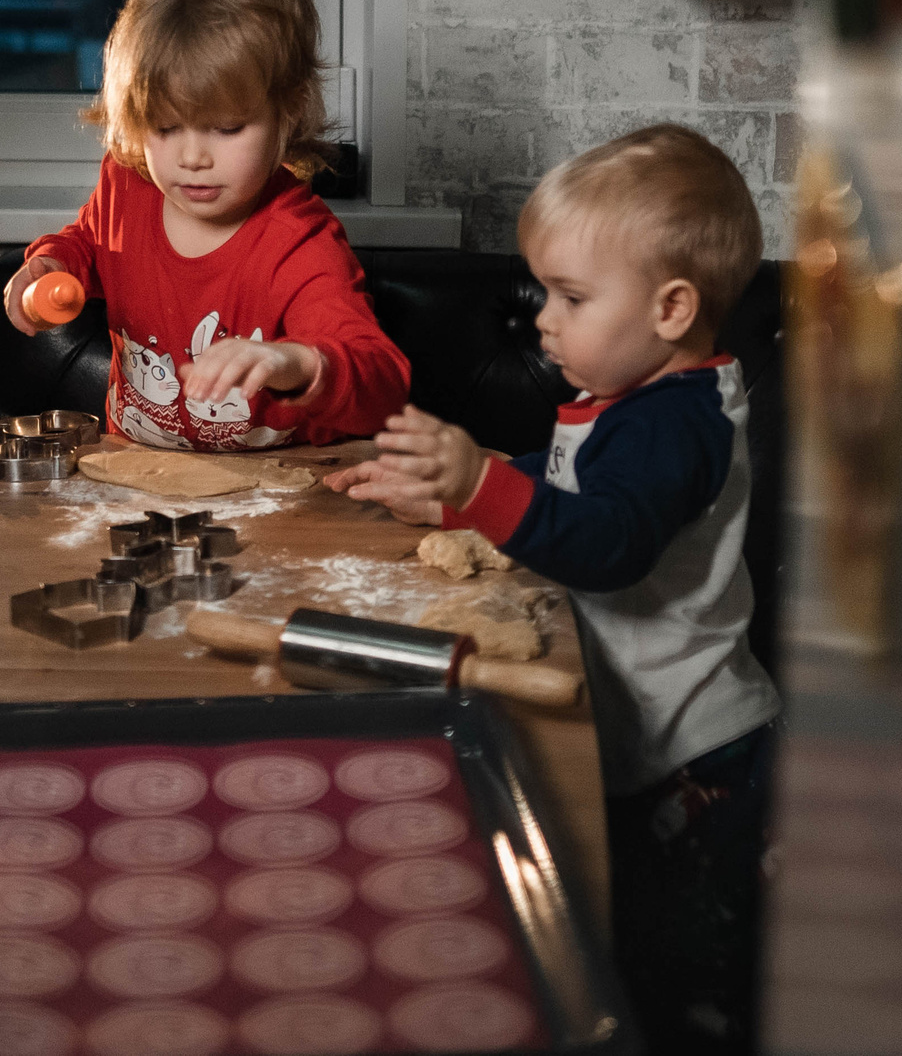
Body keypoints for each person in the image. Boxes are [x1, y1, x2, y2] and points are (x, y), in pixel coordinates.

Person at [324, 123, 781, 1054]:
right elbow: (572, 483)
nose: (543, 321)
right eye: (543, 294)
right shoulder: (642, 400)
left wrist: (480, 486)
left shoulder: (677, 427)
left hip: (695, 759)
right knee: (640, 956)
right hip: (649, 738)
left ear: (672, 308)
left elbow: (610, 542)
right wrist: (452, 502)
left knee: (690, 986)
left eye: (572, 297)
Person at [4, 0, 407, 450]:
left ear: (289, 109)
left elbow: (383, 385)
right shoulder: (127, 187)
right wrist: (51, 266)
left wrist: (296, 362)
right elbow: (90, 242)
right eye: (166, 127)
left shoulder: (299, 242)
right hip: (134, 476)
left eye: (227, 127)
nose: (193, 157)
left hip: (273, 493)